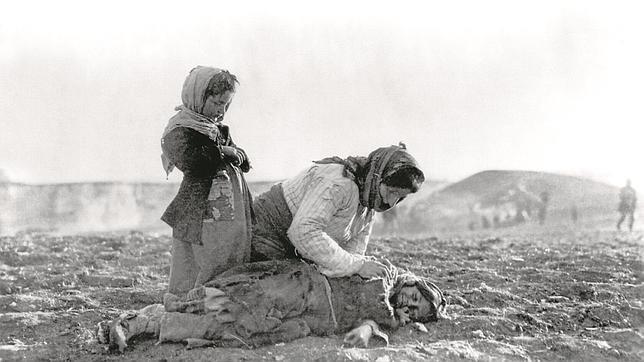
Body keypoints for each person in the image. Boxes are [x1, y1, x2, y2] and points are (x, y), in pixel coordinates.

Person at [97, 259, 445, 352]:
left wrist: (375, 328)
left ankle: (142, 326)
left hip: (309, 319)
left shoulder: (389, 318)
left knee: (236, 330)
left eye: (415, 311)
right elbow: (375, 295)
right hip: (302, 288)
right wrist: (388, 317)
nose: (408, 305)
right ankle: (138, 320)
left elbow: (370, 325)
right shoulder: (386, 274)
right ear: (411, 284)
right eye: (414, 298)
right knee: (234, 303)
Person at [250, 144, 425, 279]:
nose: (390, 202)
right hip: (265, 231)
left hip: (294, 247)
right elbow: (304, 232)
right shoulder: (339, 183)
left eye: (400, 197)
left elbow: (352, 253)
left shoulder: (368, 204)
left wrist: (363, 267)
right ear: (378, 175)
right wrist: (357, 266)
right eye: (392, 191)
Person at [160, 66, 253, 296]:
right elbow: (192, 162)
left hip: (228, 211)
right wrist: (224, 152)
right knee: (197, 264)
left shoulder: (217, 129)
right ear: (198, 97)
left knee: (228, 256)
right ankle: (188, 307)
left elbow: (240, 159)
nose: (221, 111)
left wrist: (239, 156)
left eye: (226, 105)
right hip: (199, 211)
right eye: (216, 103)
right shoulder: (179, 130)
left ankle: (219, 300)